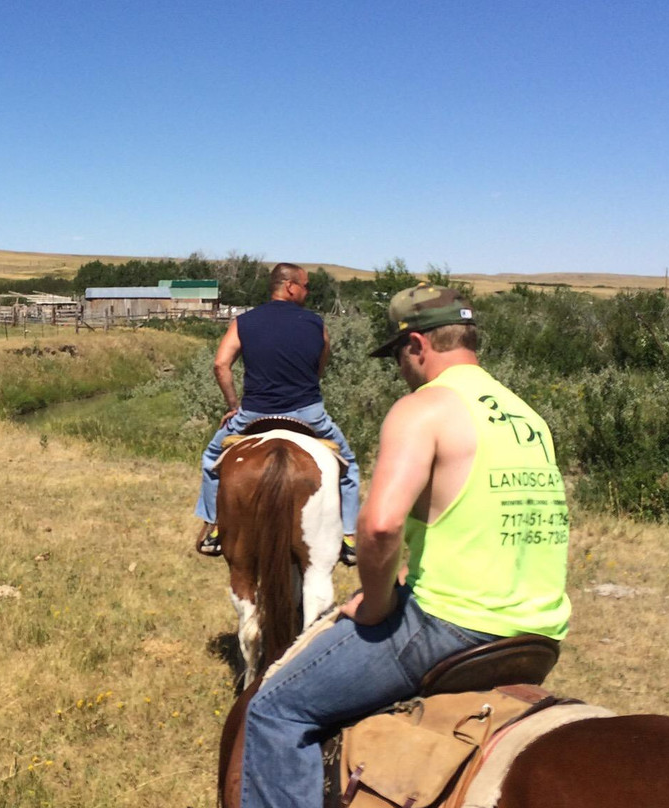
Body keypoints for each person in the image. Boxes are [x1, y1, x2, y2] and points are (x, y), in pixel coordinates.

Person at [239, 283, 572, 808]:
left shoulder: (425, 407)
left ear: (417, 344)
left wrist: (376, 606)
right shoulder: (528, 417)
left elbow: (378, 526)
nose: (399, 368)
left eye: (398, 355)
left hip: (453, 625)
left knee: (276, 709)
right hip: (541, 630)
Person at [193, 262, 360, 558]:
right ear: (290, 286)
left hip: (255, 414)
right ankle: (348, 537)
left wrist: (234, 406)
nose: (307, 292)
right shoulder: (316, 324)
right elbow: (320, 368)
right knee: (348, 466)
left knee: (211, 460)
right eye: (306, 286)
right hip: (309, 415)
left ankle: (216, 527)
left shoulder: (244, 322)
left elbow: (220, 365)